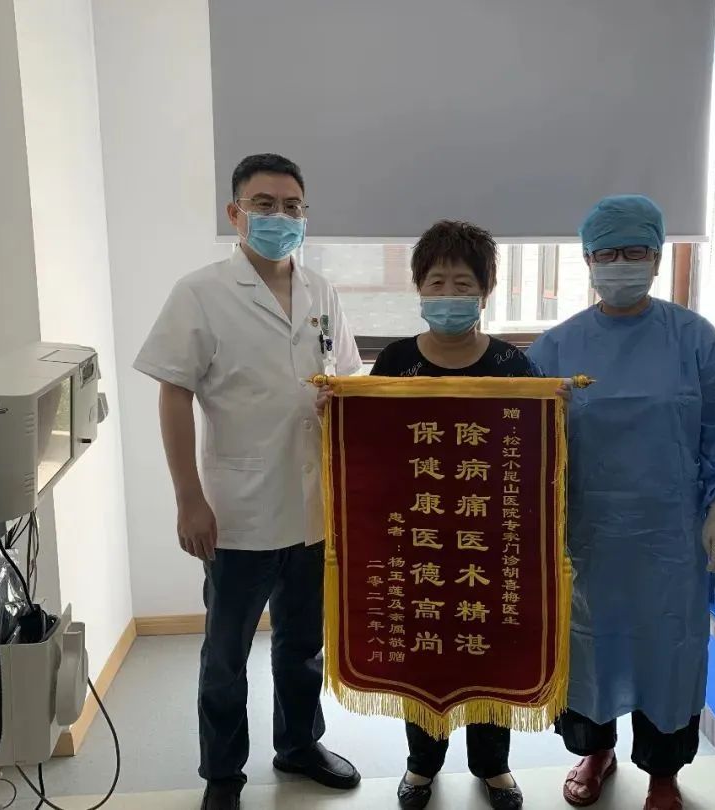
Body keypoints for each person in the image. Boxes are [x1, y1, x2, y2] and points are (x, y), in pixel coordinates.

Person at [135, 154, 362, 810]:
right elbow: (173, 393)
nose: (279, 217)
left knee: (303, 644)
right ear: (235, 214)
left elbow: (346, 378)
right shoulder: (201, 292)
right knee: (226, 655)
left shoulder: (322, 291)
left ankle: (299, 745)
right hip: (236, 511)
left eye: (292, 206)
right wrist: (189, 500)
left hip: (313, 506)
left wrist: (337, 399)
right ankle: (223, 775)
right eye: (264, 205)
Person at [527, 195, 715, 810]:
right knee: (588, 647)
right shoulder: (556, 348)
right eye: (607, 254)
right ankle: (593, 752)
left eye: (635, 252)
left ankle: (663, 774)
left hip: (670, 539)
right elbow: (521, 440)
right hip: (587, 537)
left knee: (668, 653)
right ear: (587, 261)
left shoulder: (695, 340)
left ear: (657, 257)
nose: (620, 264)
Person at [318, 221, 535, 810]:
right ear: (419, 288)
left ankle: (494, 767)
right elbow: (368, 443)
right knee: (425, 650)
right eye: (436, 282)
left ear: (485, 291)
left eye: (462, 283)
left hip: (490, 537)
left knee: (488, 647)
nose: (448, 294)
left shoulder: (513, 363)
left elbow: (537, 451)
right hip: (416, 538)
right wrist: (333, 412)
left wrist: (556, 411)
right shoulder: (395, 359)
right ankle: (421, 765)